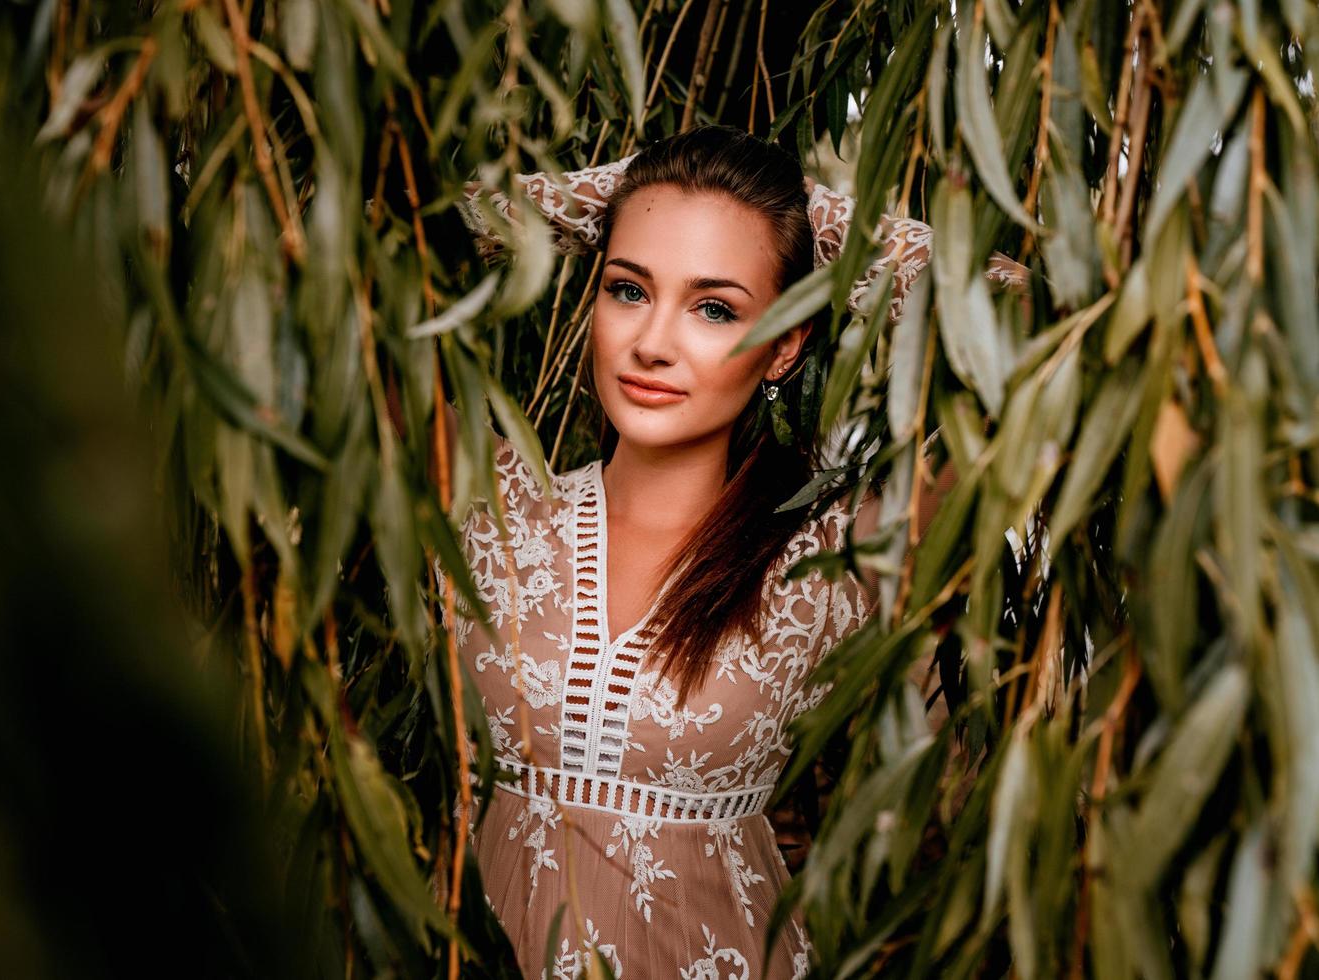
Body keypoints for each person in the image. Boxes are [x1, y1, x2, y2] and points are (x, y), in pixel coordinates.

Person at [435, 125, 1026, 979]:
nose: (652, 343)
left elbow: (1023, 317)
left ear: (786, 343)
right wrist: (598, 197)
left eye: (715, 307)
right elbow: (348, 263)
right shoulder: (492, 503)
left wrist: (815, 224)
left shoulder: (833, 548)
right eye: (628, 289)